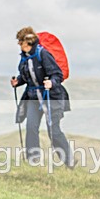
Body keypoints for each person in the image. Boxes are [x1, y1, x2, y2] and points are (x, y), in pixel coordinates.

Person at [10, 27, 71, 165]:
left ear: (27, 41)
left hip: (51, 97)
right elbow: (27, 77)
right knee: (31, 127)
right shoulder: (24, 58)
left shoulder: (43, 54)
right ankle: (33, 160)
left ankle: (69, 161)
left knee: (53, 131)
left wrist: (51, 82)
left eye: (20, 42)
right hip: (33, 98)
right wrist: (18, 82)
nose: (19, 45)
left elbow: (58, 74)